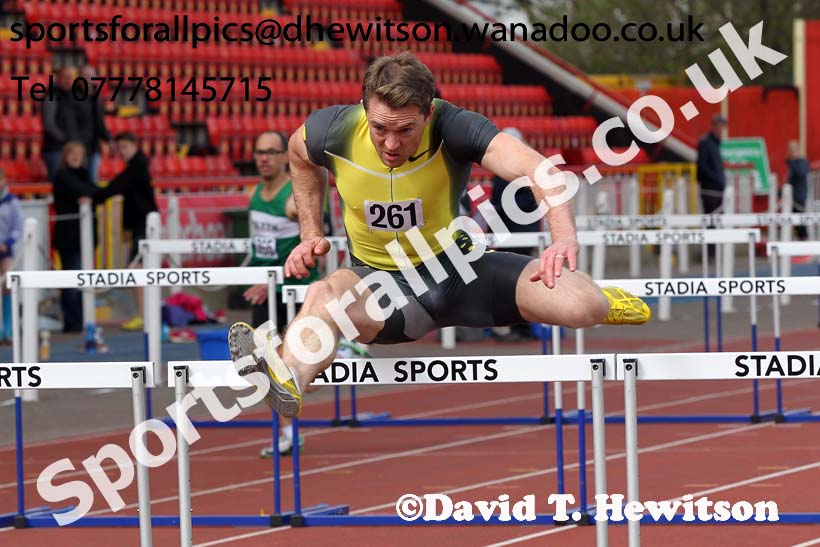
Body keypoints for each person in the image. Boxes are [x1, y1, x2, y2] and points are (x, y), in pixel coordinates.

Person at [227, 51, 650, 419]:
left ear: (428, 113)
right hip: (383, 289)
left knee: (584, 306)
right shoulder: (333, 129)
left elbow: (539, 169)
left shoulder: (455, 126)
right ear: (364, 108)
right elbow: (298, 155)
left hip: (463, 272)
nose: (390, 143)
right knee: (324, 295)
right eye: (379, 128)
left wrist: (561, 236)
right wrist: (310, 232)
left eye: (405, 130)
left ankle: (601, 300)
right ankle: (289, 381)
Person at [244, 130, 318, 455]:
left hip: (294, 293)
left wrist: (271, 279)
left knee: (291, 367)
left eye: (272, 152)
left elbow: (307, 241)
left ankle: (344, 347)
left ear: (284, 157)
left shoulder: (292, 197)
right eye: (260, 152)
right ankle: (288, 432)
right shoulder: (255, 194)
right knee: (262, 365)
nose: (264, 158)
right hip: (265, 294)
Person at [92, 132, 158, 330]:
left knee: (137, 269)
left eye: (124, 148)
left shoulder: (137, 167)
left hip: (143, 225)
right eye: (119, 148)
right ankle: (145, 314)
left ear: (133, 146)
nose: (121, 152)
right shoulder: (136, 166)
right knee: (140, 269)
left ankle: (144, 315)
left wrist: (95, 196)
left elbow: (117, 186)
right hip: (141, 225)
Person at [53, 142, 99, 332]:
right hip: (69, 236)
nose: (76, 157)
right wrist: (90, 194)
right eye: (72, 153)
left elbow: (94, 192)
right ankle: (72, 321)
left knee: (84, 278)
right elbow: (87, 191)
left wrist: (91, 195)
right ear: (66, 155)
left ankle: (84, 319)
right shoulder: (62, 176)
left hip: (86, 234)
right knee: (72, 279)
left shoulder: (85, 174)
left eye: (79, 153)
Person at [42, 67, 82, 182]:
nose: (68, 80)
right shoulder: (51, 96)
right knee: (58, 183)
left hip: (67, 148)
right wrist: (66, 139)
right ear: (58, 78)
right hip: (55, 149)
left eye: (71, 77)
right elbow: (49, 124)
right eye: (65, 77)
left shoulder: (72, 96)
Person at [76, 64, 112, 185]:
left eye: (91, 76)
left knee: (93, 179)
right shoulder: (73, 96)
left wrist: (108, 139)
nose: (88, 79)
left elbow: (99, 122)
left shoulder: (96, 97)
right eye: (85, 76)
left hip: (94, 145)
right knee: (80, 179)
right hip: (79, 145)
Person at [0, 167, 23, 343]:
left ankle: (8, 328)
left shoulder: (12, 202)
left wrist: (7, 243)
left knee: (7, 285)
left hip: (5, 250)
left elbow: (18, 228)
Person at [785, 140, 809, 242]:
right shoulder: (793, 163)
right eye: (790, 150)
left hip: (800, 195)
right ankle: (801, 239)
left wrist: (792, 164)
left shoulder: (802, 162)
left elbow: (801, 174)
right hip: (793, 195)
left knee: (800, 219)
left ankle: (804, 239)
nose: (792, 152)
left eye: (793, 150)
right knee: (795, 219)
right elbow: (790, 181)